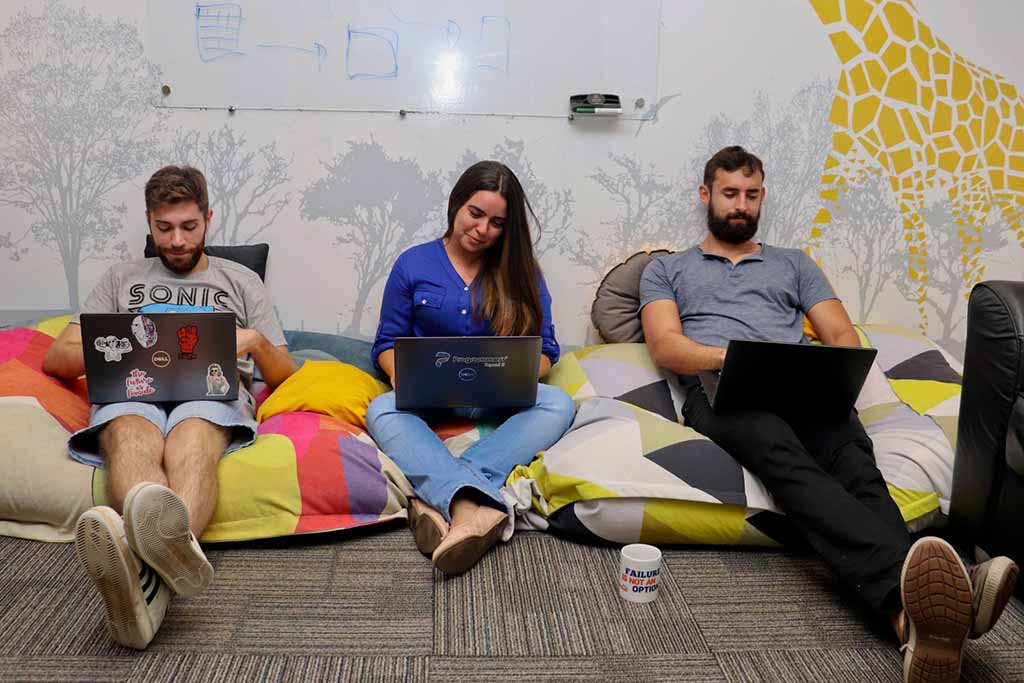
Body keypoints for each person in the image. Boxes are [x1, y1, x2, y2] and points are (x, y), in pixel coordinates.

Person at [639, 146, 1018, 683]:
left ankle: (906, 619)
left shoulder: (794, 262)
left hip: (803, 385)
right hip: (722, 389)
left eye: (751, 194)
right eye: (730, 194)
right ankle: (944, 581)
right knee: (782, 452)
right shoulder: (667, 268)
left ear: (762, 196)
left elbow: (840, 332)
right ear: (707, 195)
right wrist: (736, 357)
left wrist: (827, 364)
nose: (741, 205)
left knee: (856, 463)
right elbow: (667, 348)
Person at [43, 166, 296, 649]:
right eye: (164, 228)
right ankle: (160, 579)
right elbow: (57, 359)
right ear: (149, 223)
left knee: (193, 437)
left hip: (211, 391)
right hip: (131, 390)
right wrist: (111, 341)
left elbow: (284, 373)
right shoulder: (122, 280)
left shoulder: (239, 281)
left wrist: (256, 342)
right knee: (128, 435)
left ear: (208, 220)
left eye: (189, 227)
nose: (177, 240)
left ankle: (140, 578)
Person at [366, 160, 576, 575]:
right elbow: (386, 344)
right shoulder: (413, 264)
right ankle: (473, 508)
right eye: (475, 214)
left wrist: (509, 373)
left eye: (497, 222)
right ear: (455, 205)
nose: (482, 230)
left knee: (558, 403)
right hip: (428, 400)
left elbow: (547, 351)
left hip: (497, 401)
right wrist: (401, 373)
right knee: (382, 409)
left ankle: (448, 494)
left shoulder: (522, 272)